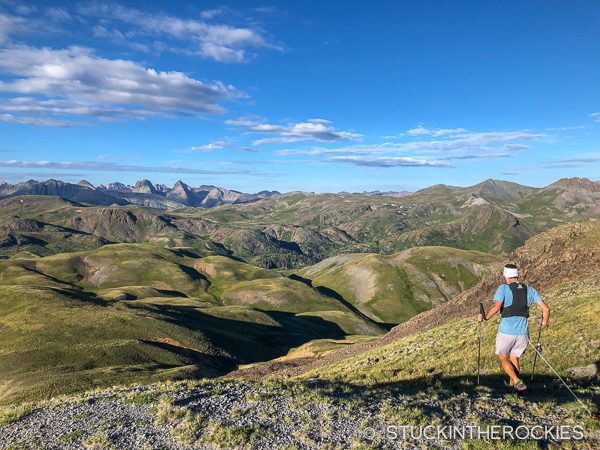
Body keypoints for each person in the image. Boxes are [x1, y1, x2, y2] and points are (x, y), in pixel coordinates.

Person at [478, 263, 550, 392]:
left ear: (506, 276)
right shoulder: (530, 289)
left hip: (506, 331)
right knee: (514, 358)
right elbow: (546, 308)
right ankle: (513, 388)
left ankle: (516, 381)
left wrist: (485, 317)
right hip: (523, 333)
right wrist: (544, 322)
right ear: (517, 275)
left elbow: (496, 307)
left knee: (502, 357)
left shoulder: (503, 288)